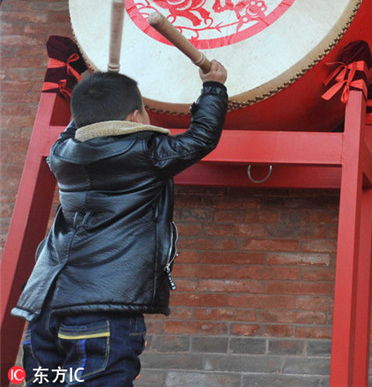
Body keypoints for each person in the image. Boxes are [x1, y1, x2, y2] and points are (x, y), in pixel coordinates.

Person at [11, 61, 228, 386]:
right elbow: (201, 137)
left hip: (45, 307)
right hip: (100, 310)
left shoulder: (61, 154)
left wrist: (95, 92)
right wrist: (214, 86)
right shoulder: (147, 154)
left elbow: (81, 124)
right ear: (135, 118)